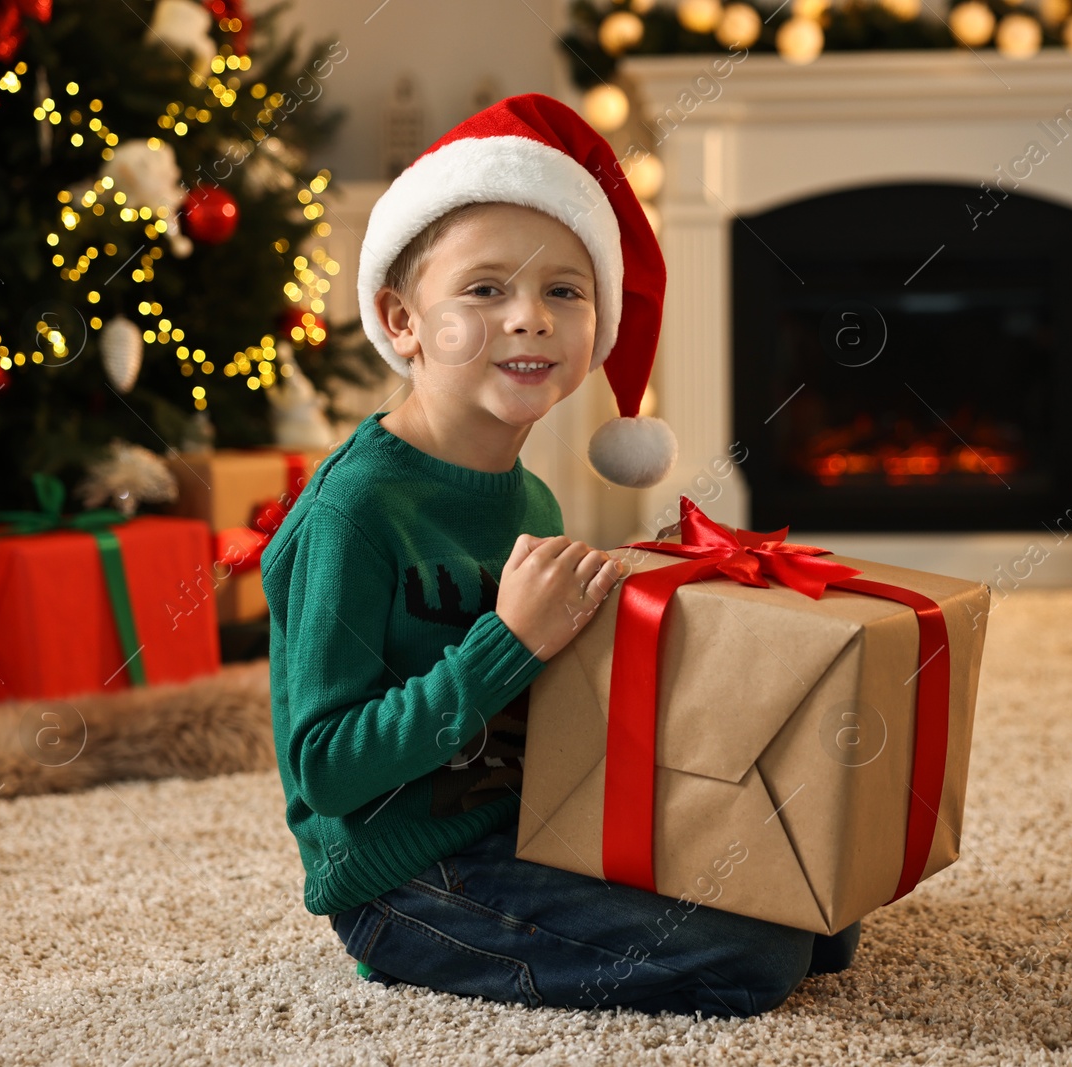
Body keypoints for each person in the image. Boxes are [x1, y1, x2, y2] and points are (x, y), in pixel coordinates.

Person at [263, 93, 859, 1020]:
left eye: (564, 291)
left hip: (531, 821)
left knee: (827, 913)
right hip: (409, 875)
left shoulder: (532, 498)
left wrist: (638, 604)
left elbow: (558, 694)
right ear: (404, 319)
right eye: (486, 288)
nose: (530, 317)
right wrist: (507, 639)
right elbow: (325, 770)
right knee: (757, 957)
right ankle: (429, 954)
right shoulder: (354, 510)